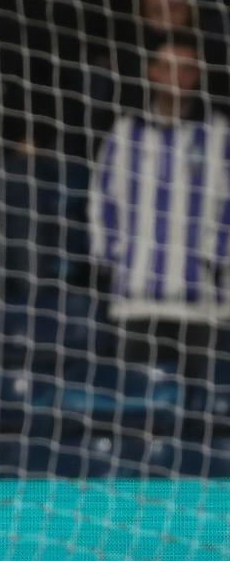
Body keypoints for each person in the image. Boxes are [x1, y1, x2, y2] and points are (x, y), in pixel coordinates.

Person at [89, 33, 230, 383]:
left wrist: (216, 257)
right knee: (134, 405)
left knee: (201, 412)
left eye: (186, 69)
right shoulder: (125, 133)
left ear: (198, 75)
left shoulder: (219, 134)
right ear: (151, 71)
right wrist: (112, 257)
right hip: (135, 300)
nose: (176, 77)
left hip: (204, 303)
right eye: (167, 66)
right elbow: (103, 200)